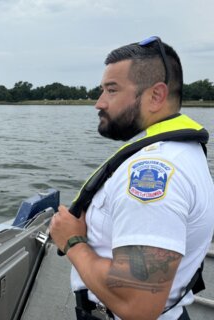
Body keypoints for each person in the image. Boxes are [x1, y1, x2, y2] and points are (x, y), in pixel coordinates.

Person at [49, 36, 214, 320]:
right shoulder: (182, 154)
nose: (99, 103)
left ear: (156, 96)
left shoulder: (153, 170)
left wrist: (72, 241)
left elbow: (138, 304)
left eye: (111, 90)